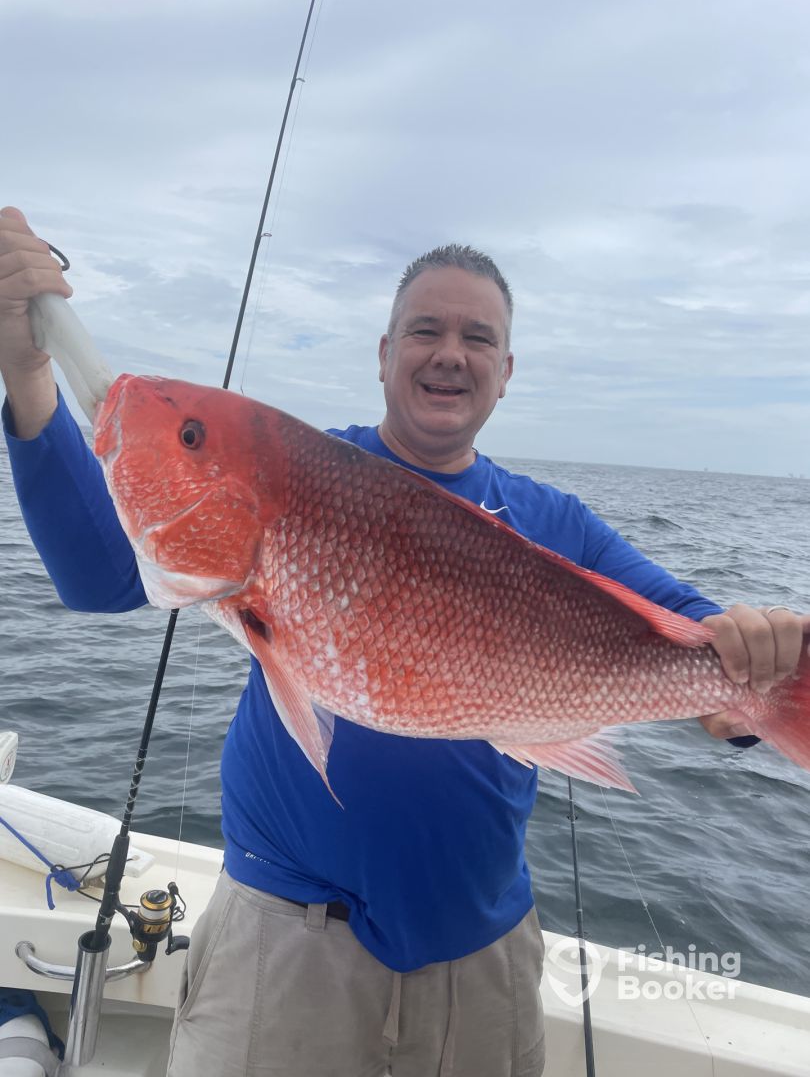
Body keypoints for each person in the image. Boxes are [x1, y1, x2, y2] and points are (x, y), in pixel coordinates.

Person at [1, 205, 808, 1077]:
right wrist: (29, 371)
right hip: (285, 939)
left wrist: (759, 672)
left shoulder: (555, 521)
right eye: (425, 330)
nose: (449, 353)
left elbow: (708, 654)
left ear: (505, 372)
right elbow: (99, 573)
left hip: (483, 955)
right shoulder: (300, 472)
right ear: (384, 354)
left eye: (477, 338)